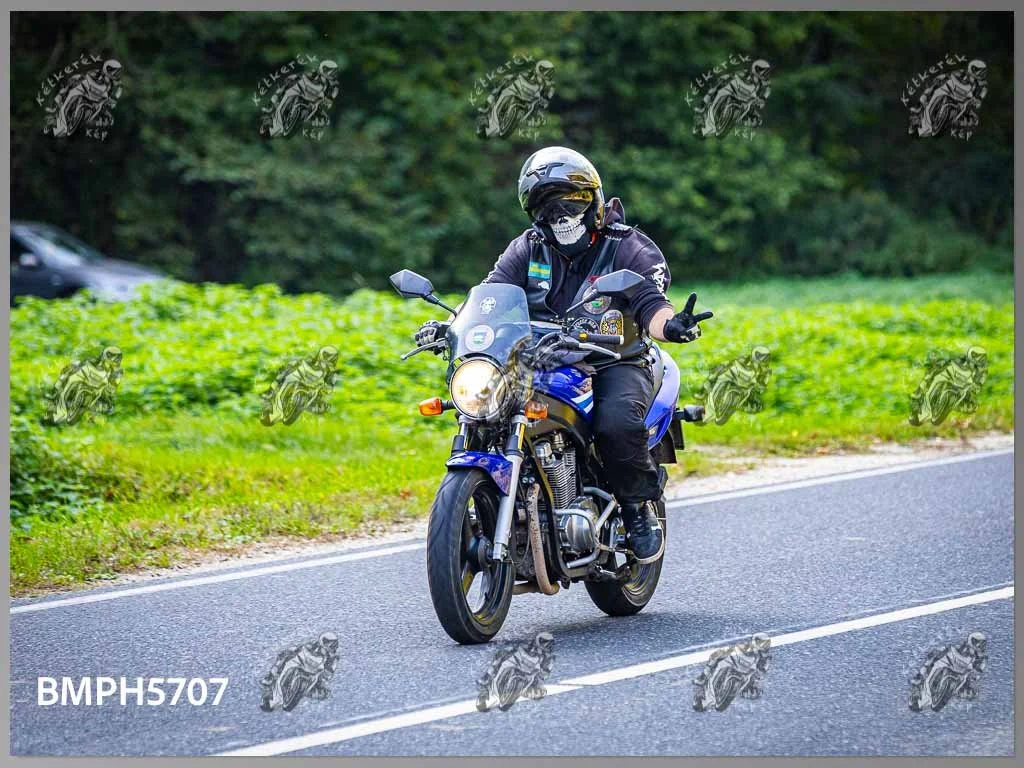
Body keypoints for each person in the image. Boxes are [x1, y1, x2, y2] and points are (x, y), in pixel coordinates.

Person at [415, 146, 712, 564]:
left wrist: (673, 325)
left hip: (614, 360)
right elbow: (490, 294)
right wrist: (451, 326)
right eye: (547, 206)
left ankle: (636, 509)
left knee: (615, 424)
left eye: (569, 202)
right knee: (487, 408)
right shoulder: (527, 248)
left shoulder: (626, 247)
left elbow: (650, 303)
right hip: (540, 358)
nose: (560, 215)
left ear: (593, 201)